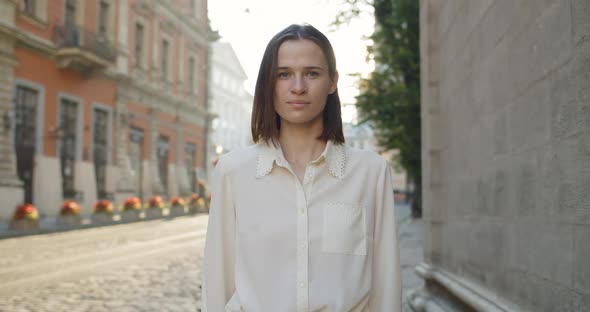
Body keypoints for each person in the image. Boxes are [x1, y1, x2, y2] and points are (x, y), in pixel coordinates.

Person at [202, 23, 401, 311]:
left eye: (312, 73)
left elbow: (386, 286)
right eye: (283, 74)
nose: (298, 87)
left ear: (332, 82)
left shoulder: (371, 173)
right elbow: (217, 283)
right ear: (268, 83)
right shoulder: (234, 172)